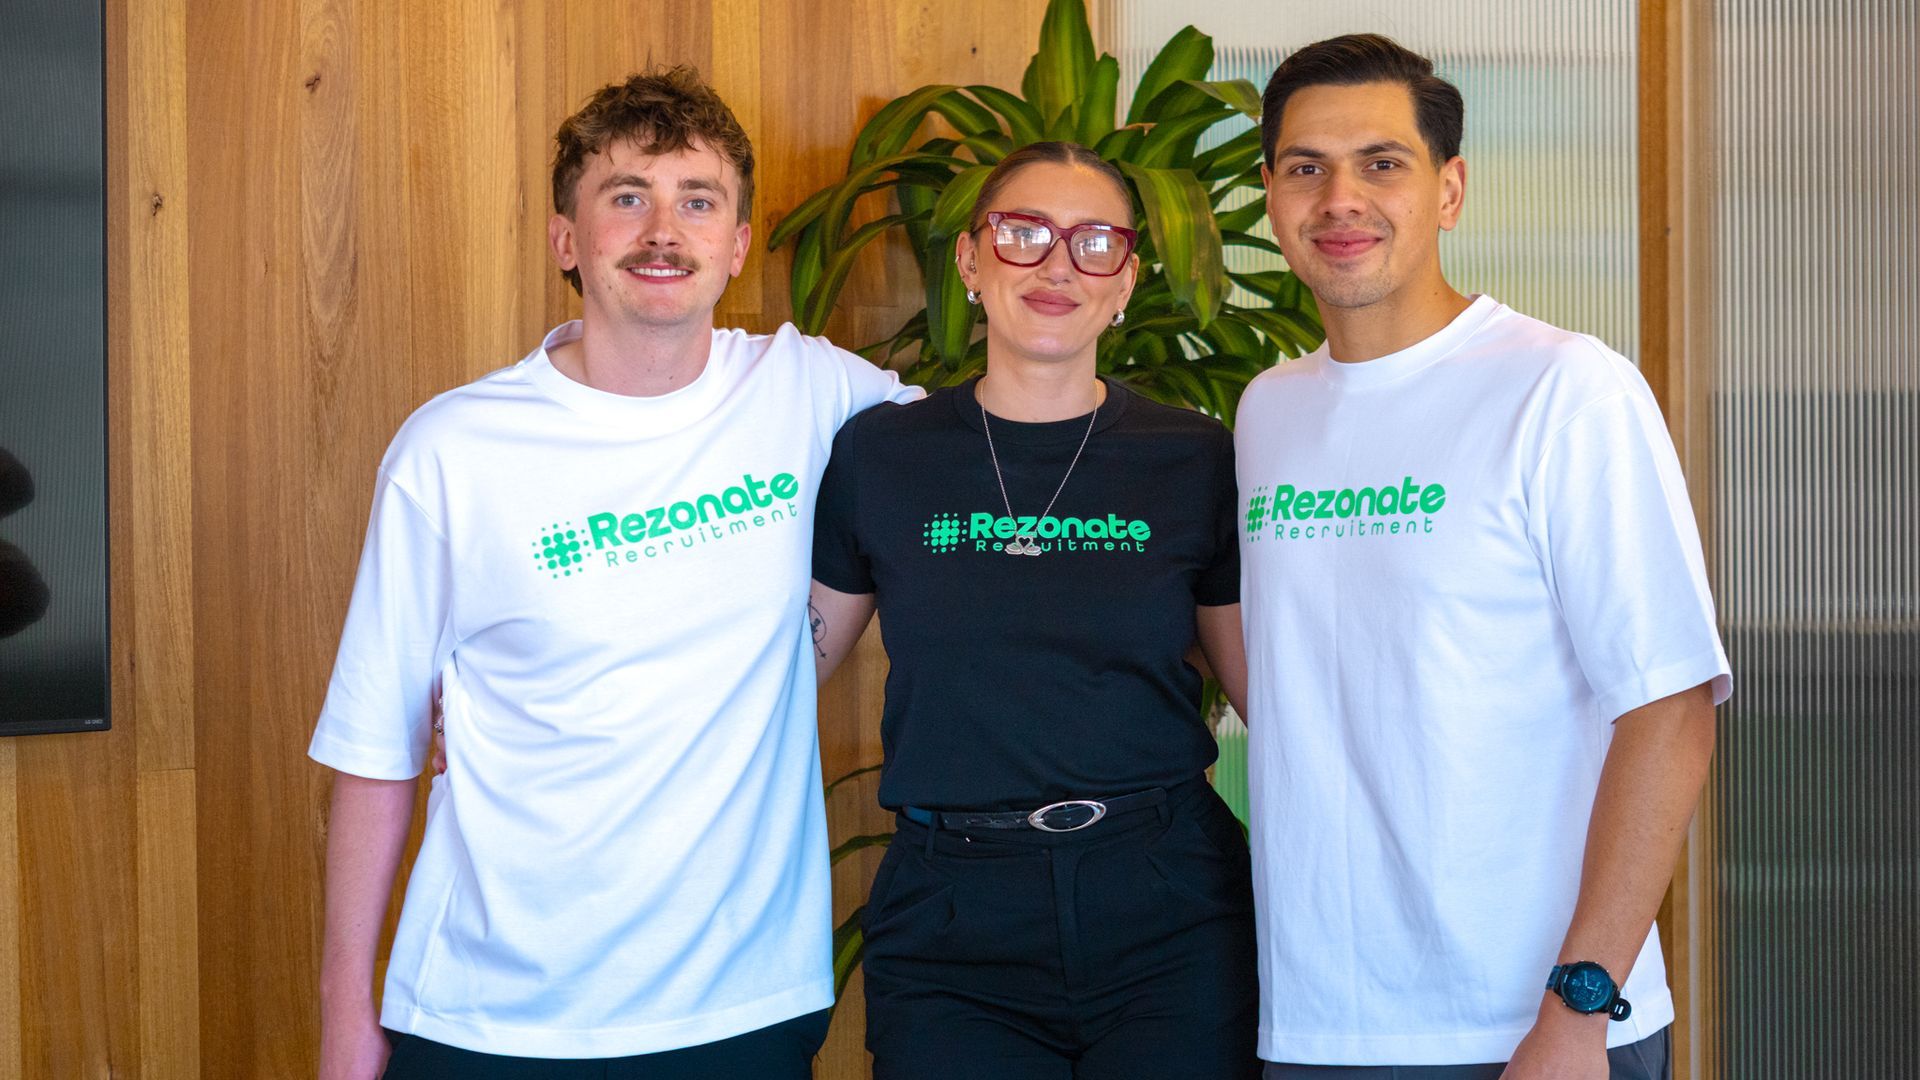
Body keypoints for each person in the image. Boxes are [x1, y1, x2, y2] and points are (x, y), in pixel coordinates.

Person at [310, 67, 919, 1080]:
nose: (662, 230)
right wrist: (345, 1013)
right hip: (488, 1013)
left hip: (745, 1004)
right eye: (626, 196)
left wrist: (798, 648)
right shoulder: (453, 449)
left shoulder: (811, 389)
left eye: (698, 200)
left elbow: (978, 460)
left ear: (734, 244)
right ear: (566, 240)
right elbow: (375, 748)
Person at [1237, 34, 1731, 1080]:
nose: (1340, 200)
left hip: (1537, 1029)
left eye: (1383, 163)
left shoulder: (1564, 390)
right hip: (1320, 1026)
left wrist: (1579, 1009)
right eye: (1305, 168)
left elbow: (1669, 709)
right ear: (1271, 196)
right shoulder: (1267, 411)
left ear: (1449, 189)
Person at [808, 141, 1260, 1080]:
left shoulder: (1195, 457)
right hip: (952, 919)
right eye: (1024, 234)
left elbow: (1268, 695)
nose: (1058, 263)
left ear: (1127, 278)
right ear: (971, 262)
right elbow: (784, 672)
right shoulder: (882, 456)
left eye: (1095, 241)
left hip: (1168, 902)